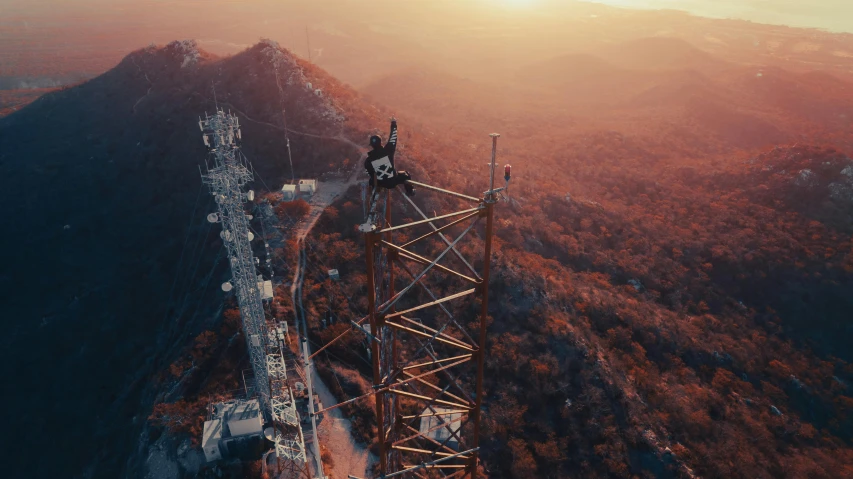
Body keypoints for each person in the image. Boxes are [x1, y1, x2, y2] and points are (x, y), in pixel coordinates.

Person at [364, 117, 415, 197]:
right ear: (380, 143)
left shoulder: (368, 160)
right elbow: (393, 138)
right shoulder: (388, 150)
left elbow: (370, 173)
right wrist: (394, 124)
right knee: (405, 174)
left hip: (380, 184)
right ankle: (410, 192)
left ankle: (373, 198)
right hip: (392, 182)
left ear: (372, 146)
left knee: (371, 179)